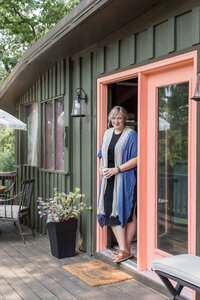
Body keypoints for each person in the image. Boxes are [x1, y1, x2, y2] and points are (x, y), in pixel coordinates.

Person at [97, 106, 137, 263]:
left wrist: (117, 169)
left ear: (125, 118)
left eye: (119, 118)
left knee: (127, 213)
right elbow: (101, 154)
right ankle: (125, 250)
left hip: (125, 178)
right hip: (109, 179)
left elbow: (137, 158)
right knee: (111, 213)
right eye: (113, 118)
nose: (116, 121)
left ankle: (124, 250)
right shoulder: (107, 134)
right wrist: (100, 169)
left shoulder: (131, 135)